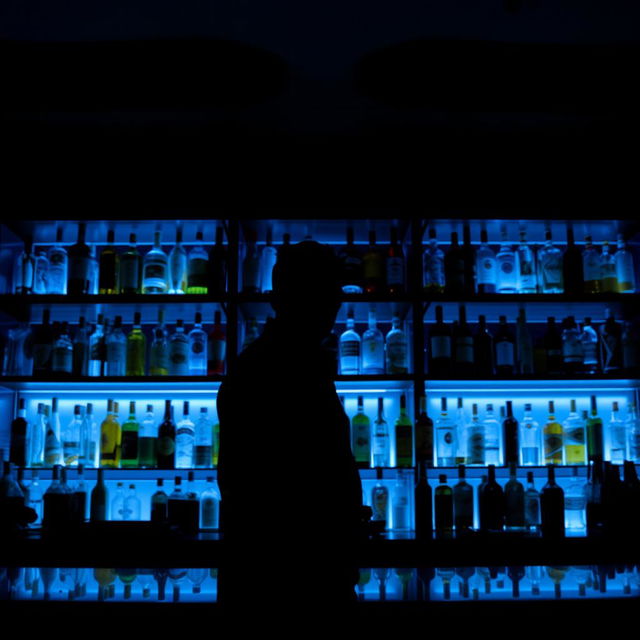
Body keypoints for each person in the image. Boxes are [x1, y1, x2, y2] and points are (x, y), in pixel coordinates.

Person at [216, 239, 366, 613]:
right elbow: (280, 485)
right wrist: (337, 519)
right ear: (293, 298)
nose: (335, 305)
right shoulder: (282, 367)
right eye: (328, 293)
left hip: (273, 573)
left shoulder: (273, 361)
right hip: (294, 579)